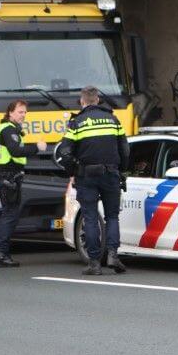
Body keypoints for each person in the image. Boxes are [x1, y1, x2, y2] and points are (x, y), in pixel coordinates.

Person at [57, 86, 130, 275]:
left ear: (83, 102)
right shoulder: (113, 119)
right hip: (111, 173)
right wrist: (122, 170)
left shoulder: (77, 122)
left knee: (90, 218)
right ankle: (113, 255)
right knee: (112, 216)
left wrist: (73, 170)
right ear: (97, 100)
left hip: (86, 176)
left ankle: (95, 263)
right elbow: (125, 148)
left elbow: (64, 153)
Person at [0, 100, 46, 267]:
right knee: (10, 215)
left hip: (4, 176)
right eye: (20, 112)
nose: (23, 115)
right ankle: (1, 253)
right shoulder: (8, 130)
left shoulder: (7, 129)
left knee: (8, 213)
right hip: (7, 177)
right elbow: (16, 151)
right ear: (10, 113)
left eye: (25, 112)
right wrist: (36, 147)